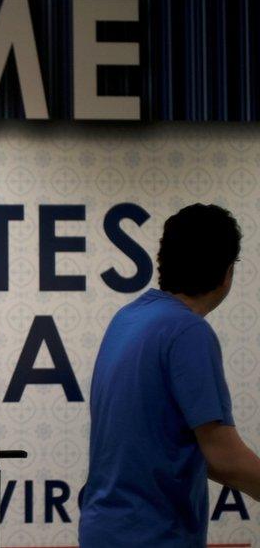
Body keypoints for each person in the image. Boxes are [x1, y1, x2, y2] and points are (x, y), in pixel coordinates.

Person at [80, 204, 260, 547]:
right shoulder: (187, 332)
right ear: (226, 273)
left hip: (102, 530)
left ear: (163, 260)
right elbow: (224, 456)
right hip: (153, 535)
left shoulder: (127, 320)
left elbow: (174, 446)